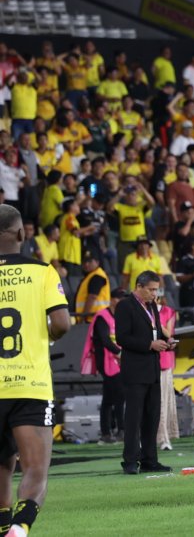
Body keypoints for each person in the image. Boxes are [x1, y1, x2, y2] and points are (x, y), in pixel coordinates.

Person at [0, 204, 71, 536]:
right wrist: (50, 334)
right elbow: (61, 323)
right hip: (29, 384)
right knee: (35, 471)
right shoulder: (42, 271)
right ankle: (20, 526)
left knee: (2, 467)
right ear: (21, 233)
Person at [114, 271, 173, 475]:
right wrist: (149, 344)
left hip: (153, 369)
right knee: (133, 418)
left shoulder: (151, 307)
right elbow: (122, 338)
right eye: (151, 289)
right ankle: (130, 460)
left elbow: (155, 331)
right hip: (135, 370)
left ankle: (150, 459)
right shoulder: (125, 306)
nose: (154, 294)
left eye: (157, 290)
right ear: (139, 286)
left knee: (152, 417)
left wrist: (166, 343)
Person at [80, 252, 123, 444]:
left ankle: (107, 433)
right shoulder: (102, 317)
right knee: (117, 397)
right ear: (113, 300)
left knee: (109, 398)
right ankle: (119, 431)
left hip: (118, 361)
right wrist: (120, 352)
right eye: (120, 299)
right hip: (107, 361)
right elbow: (105, 340)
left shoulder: (120, 316)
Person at [156, 300, 179, 451]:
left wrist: (154, 319)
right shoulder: (139, 311)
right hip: (145, 362)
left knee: (163, 401)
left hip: (163, 361)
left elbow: (169, 335)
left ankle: (164, 438)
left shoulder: (167, 312)